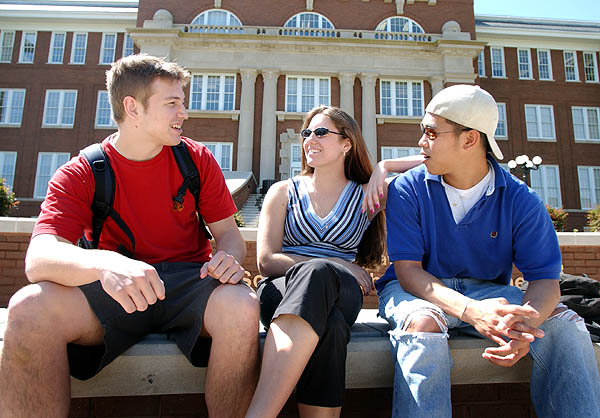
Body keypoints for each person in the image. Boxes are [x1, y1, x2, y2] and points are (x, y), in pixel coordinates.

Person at [0, 54, 259, 418]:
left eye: (182, 103)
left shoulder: (197, 159)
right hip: (114, 289)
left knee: (243, 305)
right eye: (172, 104)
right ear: (132, 107)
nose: (184, 113)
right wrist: (104, 263)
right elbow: (39, 257)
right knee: (28, 308)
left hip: (190, 283)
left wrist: (228, 257)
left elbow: (229, 235)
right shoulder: (82, 171)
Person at [366, 84, 600, 417]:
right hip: (414, 291)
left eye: (431, 133)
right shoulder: (407, 189)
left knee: (566, 325)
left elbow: (545, 280)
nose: (421, 142)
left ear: (470, 139)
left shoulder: (522, 199)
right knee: (423, 324)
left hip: (489, 292)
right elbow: (408, 272)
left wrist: (526, 324)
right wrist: (473, 311)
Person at [245, 106, 423, 418]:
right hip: (282, 292)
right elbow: (267, 261)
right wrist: (337, 264)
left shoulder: (368, 195)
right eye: (306, 133)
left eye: (321, 132)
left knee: (326, 290)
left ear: (347, 143)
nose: (310, 139)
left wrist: (384, 166)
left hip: (342, 293)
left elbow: (437, 162)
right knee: (332, 326)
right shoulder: (282, 191)